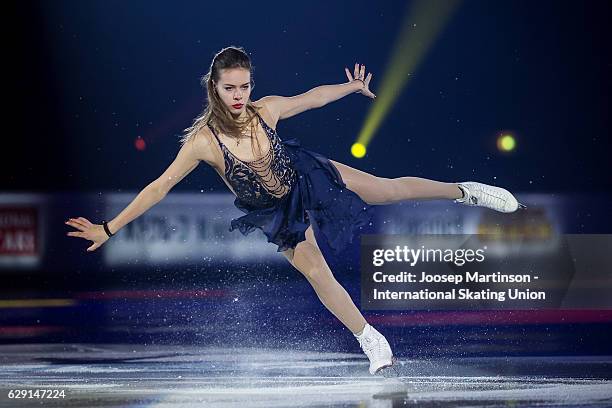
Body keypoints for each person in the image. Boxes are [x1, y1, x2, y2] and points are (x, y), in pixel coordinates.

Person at [66, 45, 525, 375]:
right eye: (230, 87)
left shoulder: (266, 110)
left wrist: (348, 88)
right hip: (275, 211)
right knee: (319, 273)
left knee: (387, 189)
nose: (239, 95)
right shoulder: (203, 141)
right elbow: (159, 187)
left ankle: (465, 191)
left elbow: (311, 96)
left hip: (306, 175)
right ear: (214, 87)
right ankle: (371, 339)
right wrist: (110, 227)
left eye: (245, 85)